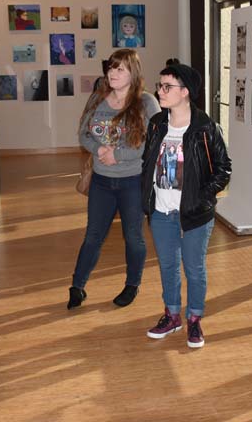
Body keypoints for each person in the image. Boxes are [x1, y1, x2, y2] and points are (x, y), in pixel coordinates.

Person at [141, 63, 232, 348]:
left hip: (194, 213)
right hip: (161, 211)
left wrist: (203, 197)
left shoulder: (205, 128)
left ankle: (194, 318)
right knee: (168, 266)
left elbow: (223, 168)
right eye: (160, 85)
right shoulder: (156, 123)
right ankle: (172, 315)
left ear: (185, 92)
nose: (160, 91)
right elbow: (148, 161)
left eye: (167, 87)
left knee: (193, 268)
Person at [68, 49, 161, 309]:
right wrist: (98, 150)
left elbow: (153, 140)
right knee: (93, 236)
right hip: (101, 182)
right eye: (111, 68)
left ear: (134, 73)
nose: (113, 73)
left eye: (120, 69)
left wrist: (117, 155)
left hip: (132, 182)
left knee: (133, 237)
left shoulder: (146, 103)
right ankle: (77, 286)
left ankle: (132, 285)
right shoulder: (98, 99)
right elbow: (84, 134)